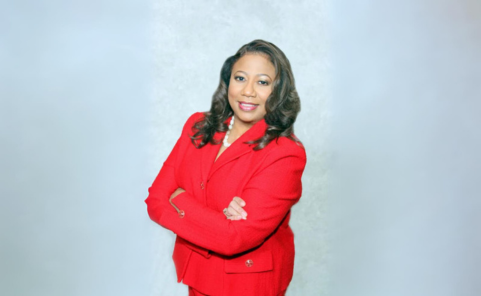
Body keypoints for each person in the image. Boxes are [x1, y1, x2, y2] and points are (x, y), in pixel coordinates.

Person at [145, 39, 307, 296]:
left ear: (278, 91)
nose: (248, 91)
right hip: (197, 273)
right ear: (228, 81)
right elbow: (155, 200)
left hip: (246, 283)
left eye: (262, 82)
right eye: (240, 78)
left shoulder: (285, 153)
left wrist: (180, 199)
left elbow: (235, 238)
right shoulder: (197, 127)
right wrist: (221, 220)